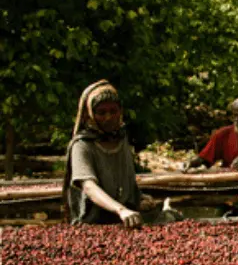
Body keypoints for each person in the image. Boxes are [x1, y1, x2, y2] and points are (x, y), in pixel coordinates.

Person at [62, 80, 180, 226]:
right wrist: (120, 209)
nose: (108, 117)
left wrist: (139, 199)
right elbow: (89, 186)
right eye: (101, 112)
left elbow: (124, 182)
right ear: (90, 115)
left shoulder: (121, 139)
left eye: (113, 111)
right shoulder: (82, 145)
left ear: (120, 111)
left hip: (127, 218)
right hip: (93, 222)